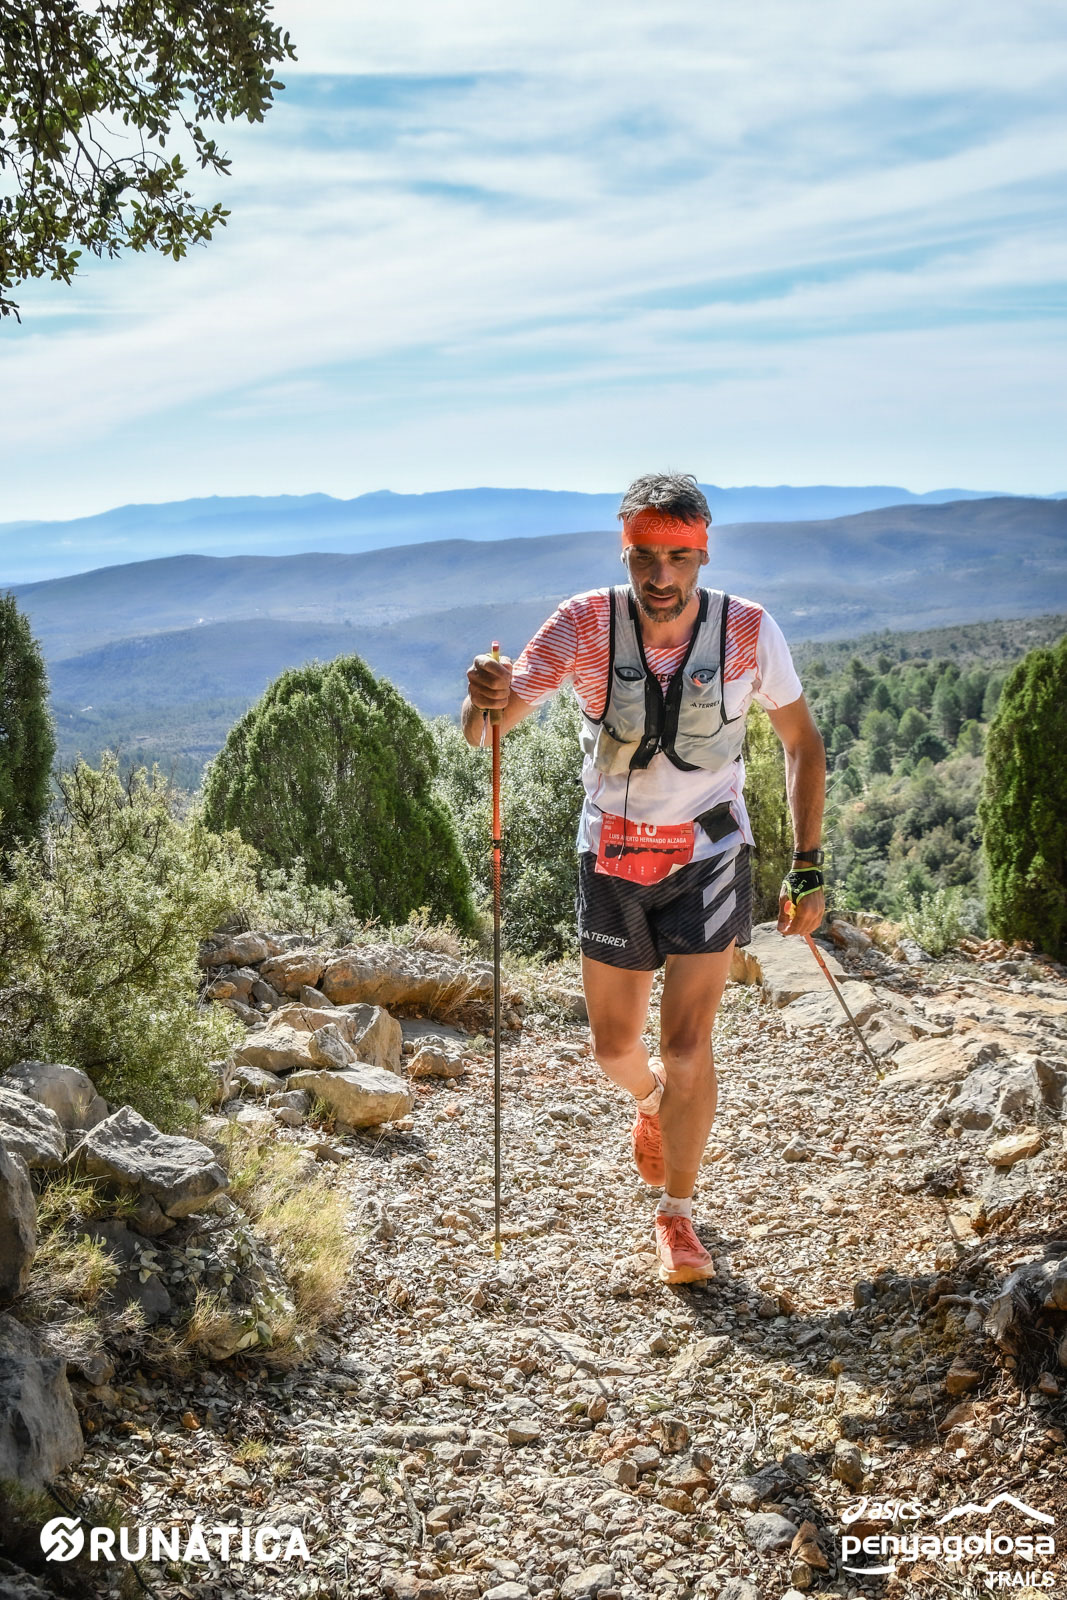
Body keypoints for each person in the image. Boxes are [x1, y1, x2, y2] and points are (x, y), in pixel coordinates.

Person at [461, 472, 825, 1285]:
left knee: (687, 1047)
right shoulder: (583, 621)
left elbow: (801, 743)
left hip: (709, 855)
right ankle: (651, 1101)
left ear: (703, 553)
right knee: (614, 1049)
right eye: (642, 557)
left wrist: (806, 863)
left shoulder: (748, 629)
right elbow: (486, 731)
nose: (660, 576)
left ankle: (677, 1216)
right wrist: (481, 696)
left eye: (677, 557)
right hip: (612, 857)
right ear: (623, 552)